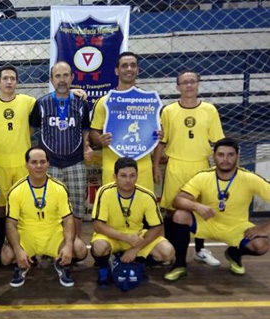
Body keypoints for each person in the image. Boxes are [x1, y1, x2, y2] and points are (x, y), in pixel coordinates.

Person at [165, 138, 270, 281]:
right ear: (214, 156)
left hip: (236, 227)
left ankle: (234, 253)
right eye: (220, 155)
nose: (225, 159)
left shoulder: (249, 178)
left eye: (230, 155)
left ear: (238, 156)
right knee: (180, 215)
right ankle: (180, 265)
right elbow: (178, 200)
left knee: (262, 245)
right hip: (207, 222)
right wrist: (197, 206)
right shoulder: (203, 176)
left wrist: (265, 229)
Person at [153, 69, 224, 267]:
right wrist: (156, 166)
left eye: (193, 81)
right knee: (170, 209)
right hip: (176, 165)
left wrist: (220, 169)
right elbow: (161, 141)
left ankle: (200, 250)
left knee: (200, 209)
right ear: (178, 87)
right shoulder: (168, 111)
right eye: (185, 83)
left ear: (198, 84)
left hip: (201, 166)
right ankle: (171, 251)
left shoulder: (209, 110)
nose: (189, 85)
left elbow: (219, 142)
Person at [2, 147, 88, 288]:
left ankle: (61, 264)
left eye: (42, 162)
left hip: (53, 235)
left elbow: (68, 220)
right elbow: (10, 223)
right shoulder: (16, 191)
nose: (39, 166)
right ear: (27, 165)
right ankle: (23, 263)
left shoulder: (59, 188)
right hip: (27, 236)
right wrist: (18, 250)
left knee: (80, 250)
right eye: (34, 162)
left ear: (48, 164)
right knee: (6, 257)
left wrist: (68, 246)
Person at [0, 65, 36, 266]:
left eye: (13, 78)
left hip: (23, 165)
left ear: (17, 82)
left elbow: (51, 103)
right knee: (1, 211)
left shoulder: (28, 102)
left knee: (24, 210)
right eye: (5, 78)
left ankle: (29, 250)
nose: (9, 81)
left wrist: (75, 91)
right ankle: (0, 252)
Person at [29, 61, 93, 238]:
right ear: (51, 79)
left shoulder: (81, 104)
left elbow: (85, 128)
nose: (62, 80)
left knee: (77, 208)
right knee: (50, 208)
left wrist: (86, 145)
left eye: (66, 75)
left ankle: (76, 246)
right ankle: (53, 246)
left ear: (72, 78)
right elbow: (31, 130)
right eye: (58, 76)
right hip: (50, 165)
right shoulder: (41, 104)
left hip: (76, 162)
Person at [91, 157, 175, 285]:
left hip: (137, 237)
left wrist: (136, 248)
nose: (128, 180)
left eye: (132, 176)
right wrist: (126, 238)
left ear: (137, 176)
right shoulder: (104, 192)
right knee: (99, 247)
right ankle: (104, 269)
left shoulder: (147, 195)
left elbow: (157, 227)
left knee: (167, 252)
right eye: (123, 176)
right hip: (112, 235)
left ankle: (138, 262)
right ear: (115, 176)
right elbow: (98, 225)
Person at [90, 51, 158, 192]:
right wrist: (99, 139)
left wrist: (158, 135)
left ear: (137, 70)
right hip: (113, 165)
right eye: (124, 66)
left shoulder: (149, 101)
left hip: (142, 166)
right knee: (112, 210)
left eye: (133, 65)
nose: (129, 69)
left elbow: (157, 132)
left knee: (143, 209)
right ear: (117, 70)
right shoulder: (104, 102)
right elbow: (93, 132)